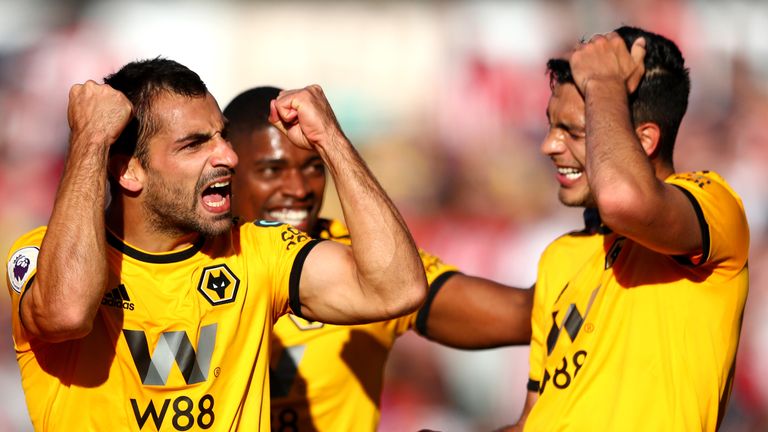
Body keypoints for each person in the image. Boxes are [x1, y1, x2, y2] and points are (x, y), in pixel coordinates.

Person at [4, 58, 430, 431]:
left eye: (221, 136)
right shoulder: (43, 254)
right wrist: (90, 140)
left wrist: (331, 141)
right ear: (130, 171)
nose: (227, 156)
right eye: (195, 144)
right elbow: (66, 314)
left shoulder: (256, 249)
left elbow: (397, 289)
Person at [223, 86, 534, 431]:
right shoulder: (183, 265)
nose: (298, 189)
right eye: (271, 171)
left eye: (313, 167)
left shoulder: (372, 262)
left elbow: (528, 317)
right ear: (227, 175)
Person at [502, 26, 749, 431]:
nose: (548, 145)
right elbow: (536, 420)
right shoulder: (559, 257)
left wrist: (602, 82)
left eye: (575, 132)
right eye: (550, 125)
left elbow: (623, 200)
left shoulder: (715, 205)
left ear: (644, 140)